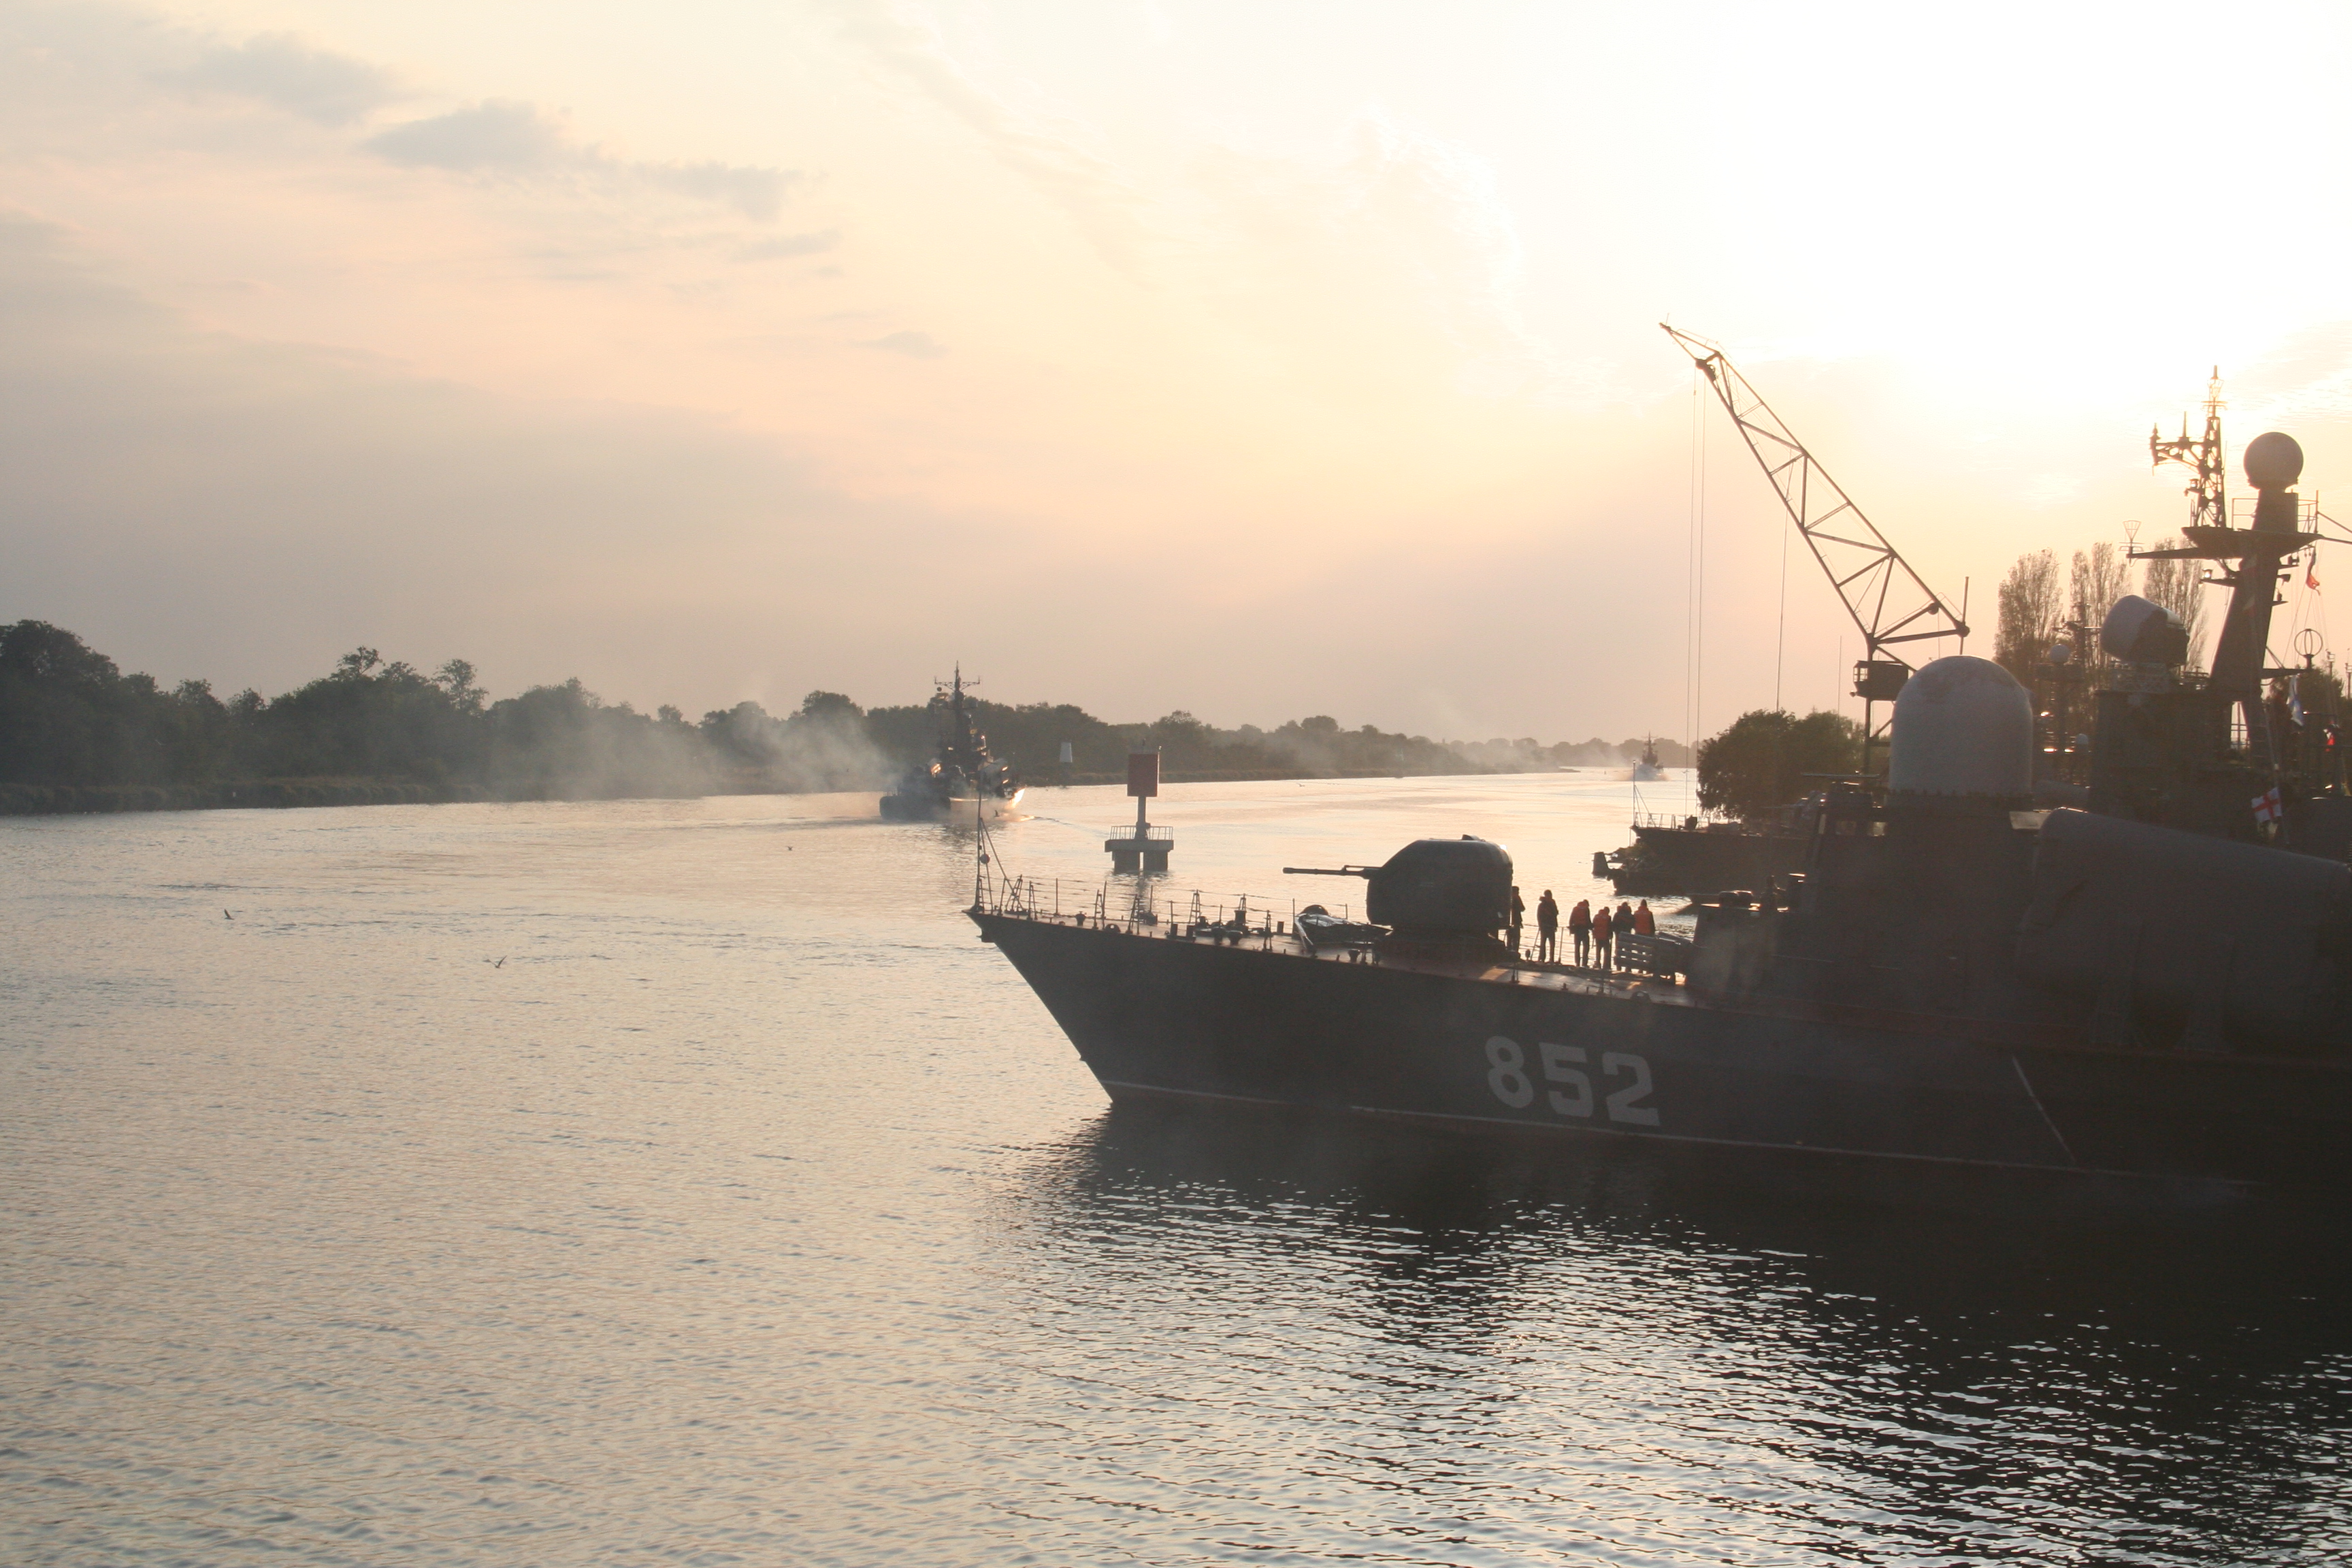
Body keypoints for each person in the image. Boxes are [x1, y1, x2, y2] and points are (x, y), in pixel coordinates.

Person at [1535, 889, 1559, 962]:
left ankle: (1550, 959)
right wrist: (1540, 925)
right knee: (1544, 943)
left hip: (1549, 926)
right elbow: (1539, 916)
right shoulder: (1544, 905)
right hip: (1546, 926)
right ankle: (1543, 958)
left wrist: (1555, 925)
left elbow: (1555, 914)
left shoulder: (1550, 903)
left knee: (1550, 944)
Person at [1569, 898, 1591, 966]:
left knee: (1577, 947)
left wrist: (1571, 929)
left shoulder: (1575, 909)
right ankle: (1584, 963)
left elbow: (1571, 919)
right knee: (1586, 947)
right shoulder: (1586, 909)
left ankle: (1577, 963)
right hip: (1584, 930)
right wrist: (1591, 927)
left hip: (1576, 930)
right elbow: (1588, 920)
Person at [1591, 902, 1613, 971]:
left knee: (1598, 951)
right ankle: (1606, 965)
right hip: (1605, 936)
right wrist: (1611, 935)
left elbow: (1593, 925)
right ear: (1607, 911)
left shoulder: (1596, 916)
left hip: (1597, 936)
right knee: (1606, 951)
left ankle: (1598, 963)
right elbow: (1609, 927)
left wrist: (1594, 934)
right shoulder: (1608, 917)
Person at [1507, 885, 1526, 956]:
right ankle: (1515, 952)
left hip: (1510, 922)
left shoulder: (1509, 899)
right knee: (1516, 938)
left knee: (1510, 938)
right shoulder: (1517, 898)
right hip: (1516, 921)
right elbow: (1522, 908)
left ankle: (1510, 951)